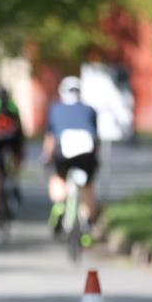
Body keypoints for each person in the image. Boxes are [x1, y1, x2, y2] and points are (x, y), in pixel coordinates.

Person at [43, 76, 99, 233]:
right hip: (86, 151)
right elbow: (96, 138)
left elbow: (51, 138)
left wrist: (46, 157)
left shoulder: (55, 109)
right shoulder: (90, 110)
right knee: (88, 186)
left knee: (58, 177)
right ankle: (88, 223)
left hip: (63, 150)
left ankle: (60, 204)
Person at [0, 86, 24, 228]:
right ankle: (15, 184)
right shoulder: (13, 106)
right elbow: (20, 129)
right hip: (13, 141)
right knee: (14, 164)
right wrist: (20, 152)